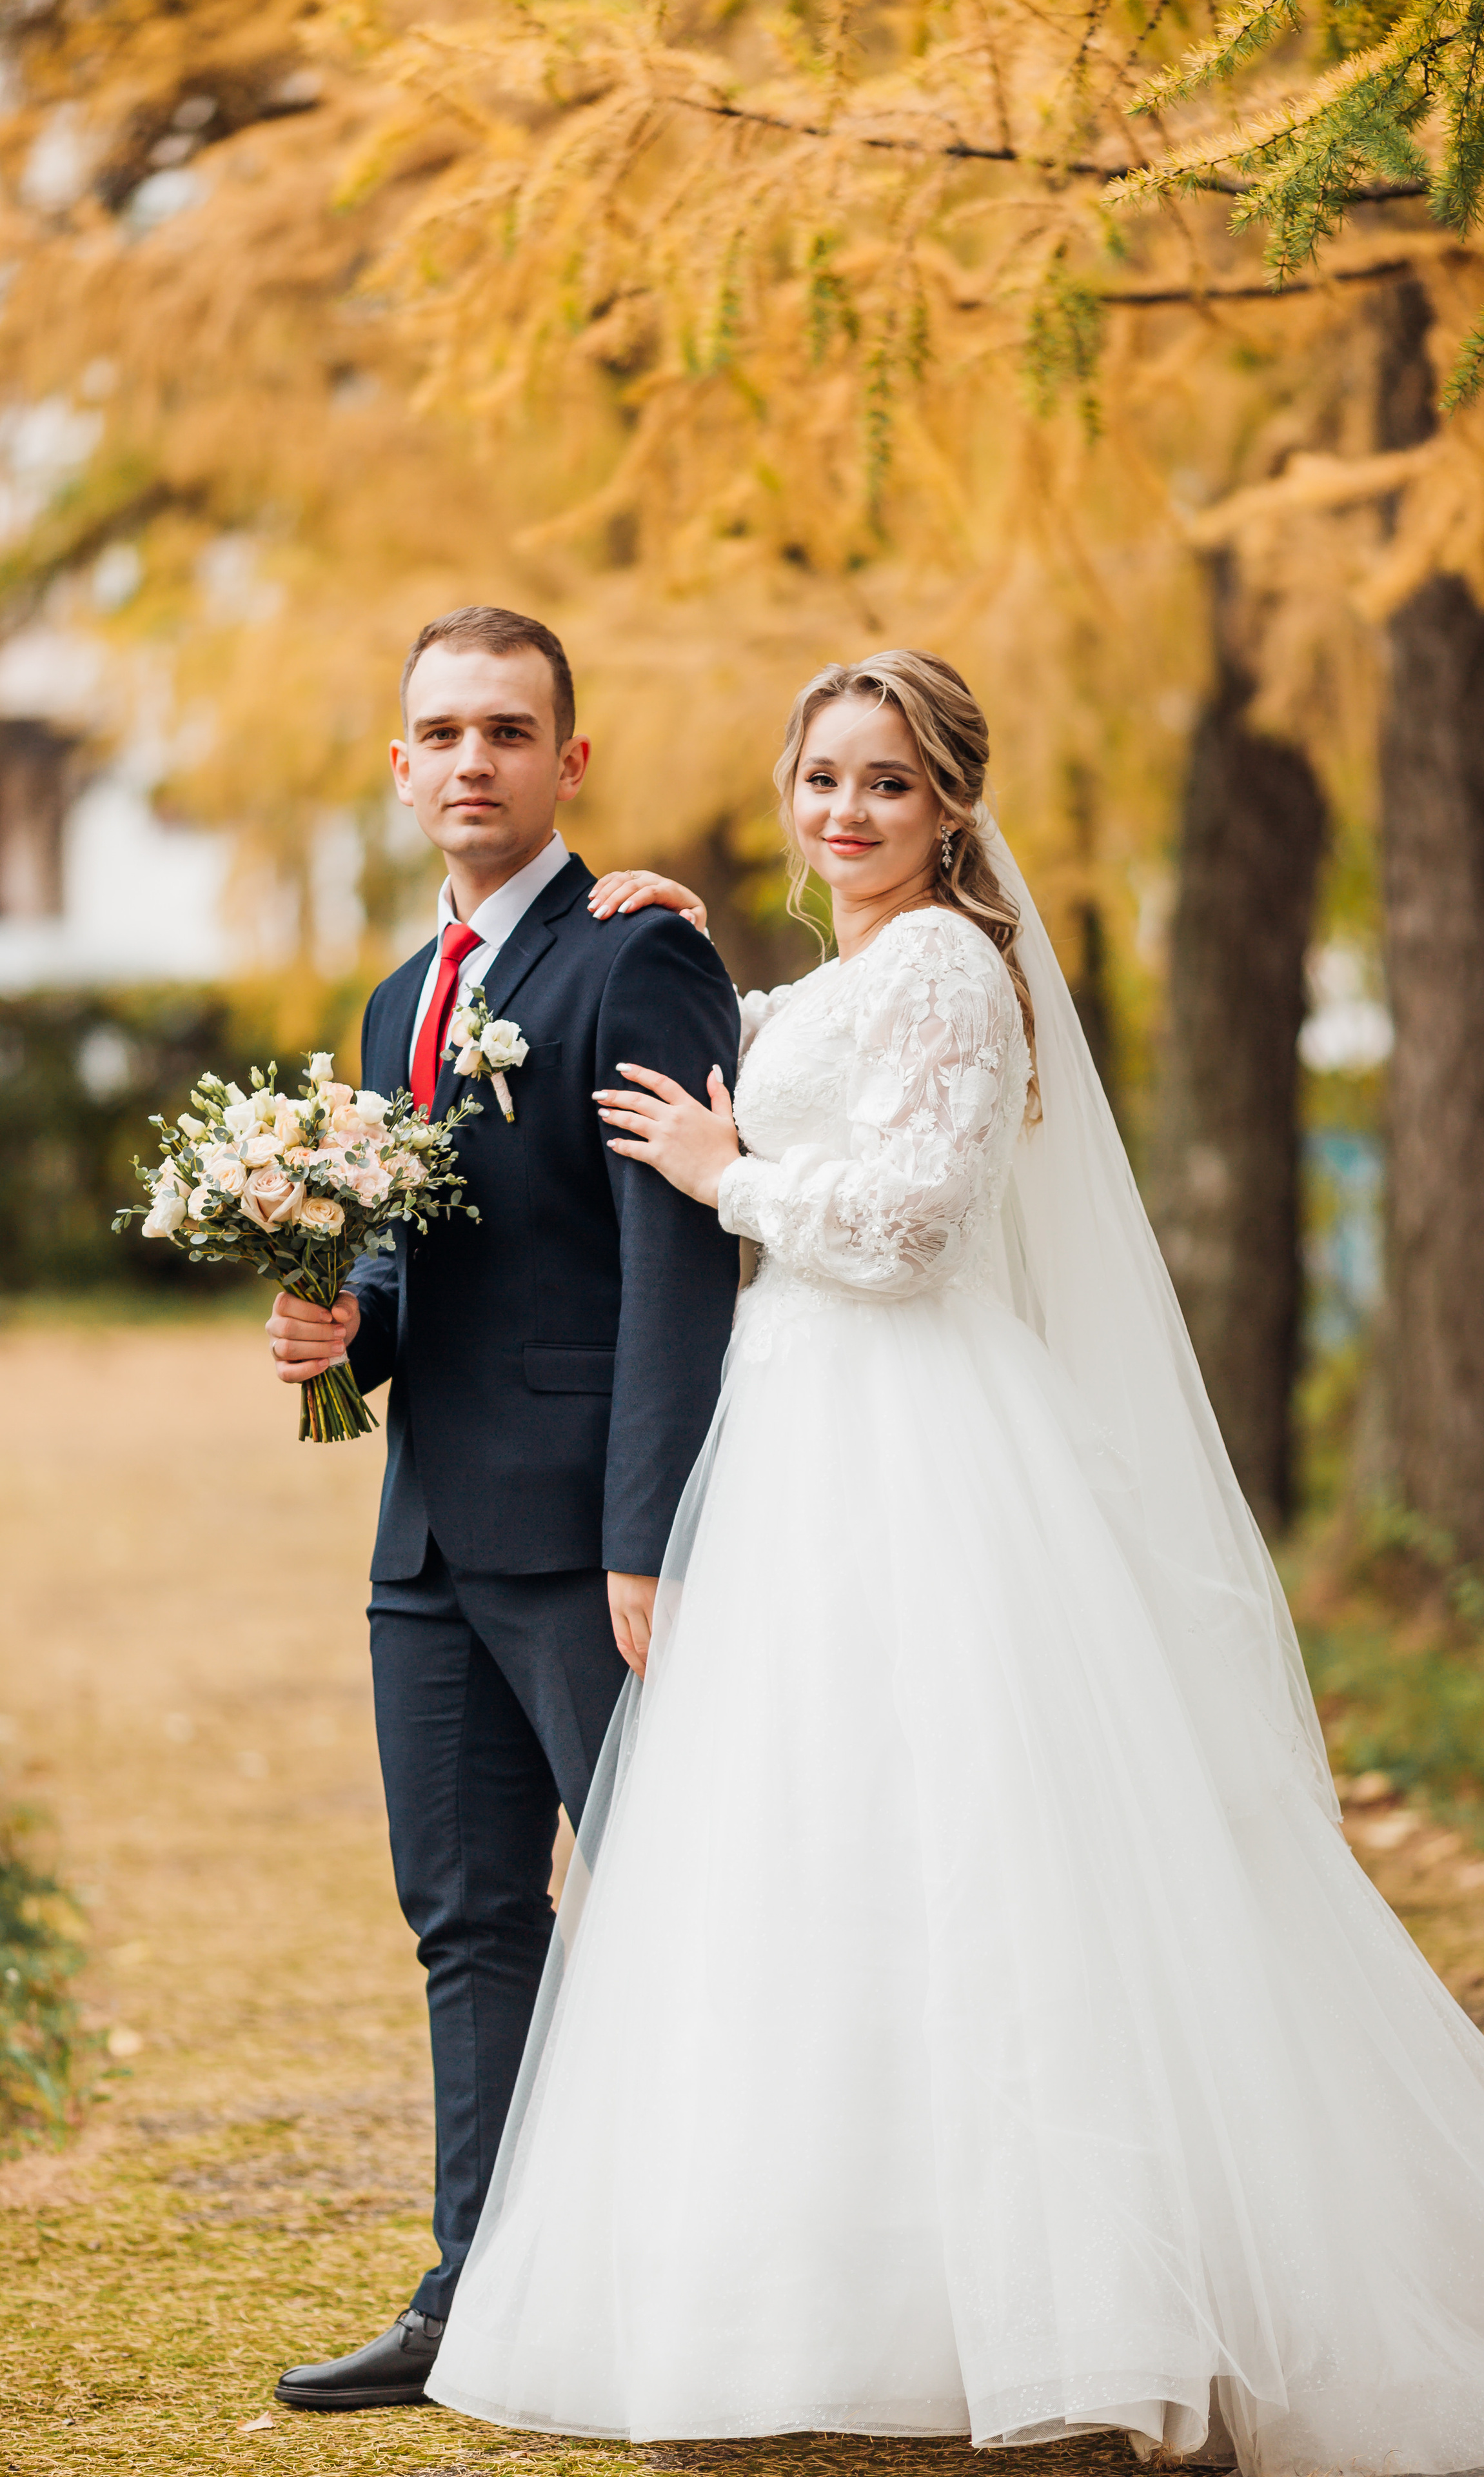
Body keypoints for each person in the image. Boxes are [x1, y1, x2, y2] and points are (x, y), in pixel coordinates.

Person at [423, 648, 1484, 2474]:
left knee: (988, 1856)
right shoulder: (861, 969)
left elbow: (909, 1226)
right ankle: (865, 2290)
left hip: (917, 1436)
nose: (847, 811)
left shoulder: (951, 968)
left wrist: (720, 1171)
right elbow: (817, 1069)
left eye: (889, 785)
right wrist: (704, 976)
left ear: (953, 808)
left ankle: (1075, 2307)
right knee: (834, 1856)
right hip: (810, 1433)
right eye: (823, 778)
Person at [263, 606, 740, 2411]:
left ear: (569, 762)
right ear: (402, 769)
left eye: (510, 730)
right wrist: (340, 1328)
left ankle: (716, 2281)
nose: (474, 759)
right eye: (443, 732)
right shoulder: (404, 998)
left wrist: (651, 1538)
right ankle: (477, 2294)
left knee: (684, 1901)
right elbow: (419, 1259)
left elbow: (677, 1266)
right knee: (468, 1919)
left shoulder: (640, 963)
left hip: (591, 1548)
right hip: (425, 1544)